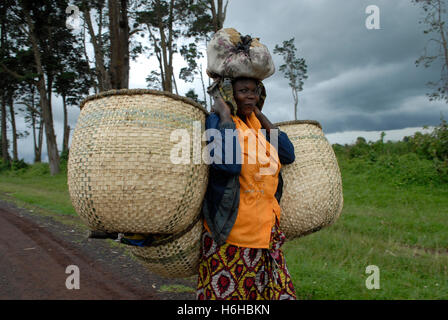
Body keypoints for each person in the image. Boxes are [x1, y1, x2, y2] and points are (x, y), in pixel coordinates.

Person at [197, 76, 297, 300]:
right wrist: (224, 114)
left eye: (254, 91)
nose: (251, 96)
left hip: (266, 234)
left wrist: (260, 114)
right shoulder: (217, 121)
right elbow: (229, 165)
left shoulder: (257, 126)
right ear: (230, 95)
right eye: (243, 91)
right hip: (232, 236)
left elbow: (288, 154)